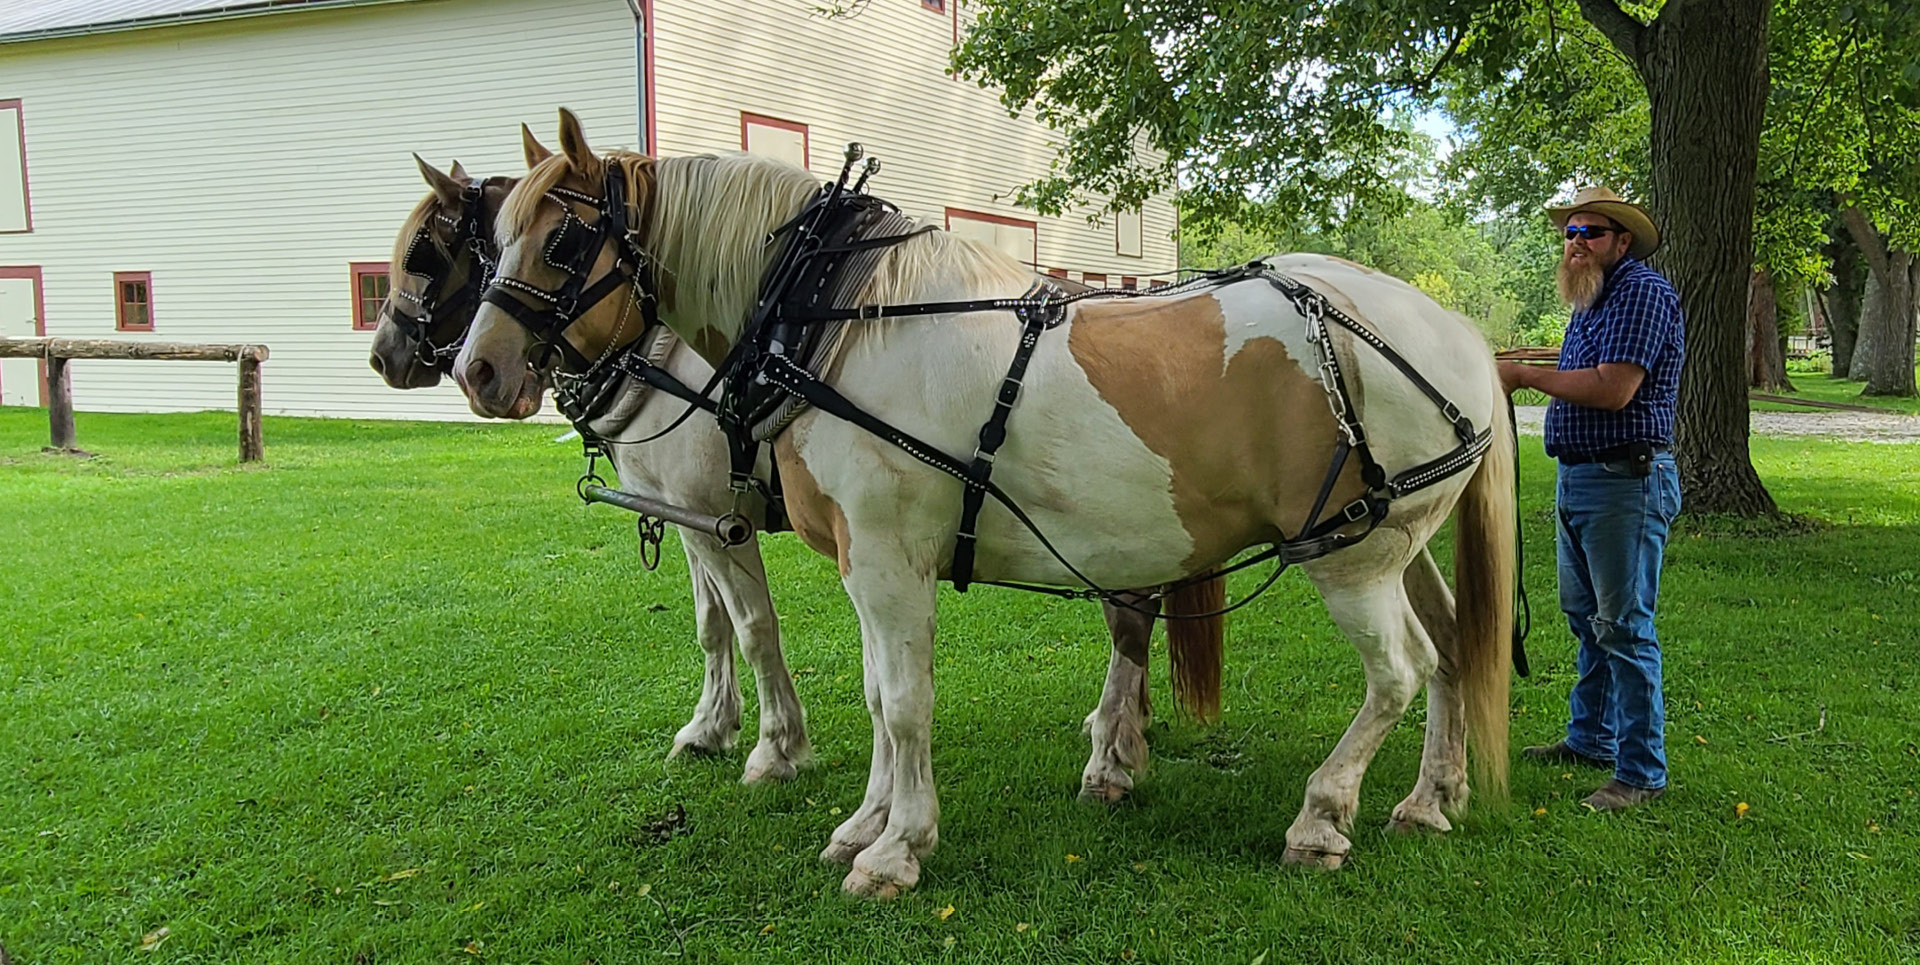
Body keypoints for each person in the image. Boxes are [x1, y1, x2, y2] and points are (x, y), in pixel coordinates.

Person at [1497, 186, 1685, 812]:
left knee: (1624, 626)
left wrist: (1523, 375)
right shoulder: (1592, 299)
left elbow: (1613, 389)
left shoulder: (1641, 292)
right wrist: (1526, 358)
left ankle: (1640, 773)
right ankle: (1590, 738)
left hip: (1626, 481)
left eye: (1592, 233)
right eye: (1571, 232)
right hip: (1582, 479)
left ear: (1621, 242)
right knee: (1586, 619)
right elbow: (1587, 367)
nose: (1577, 243)